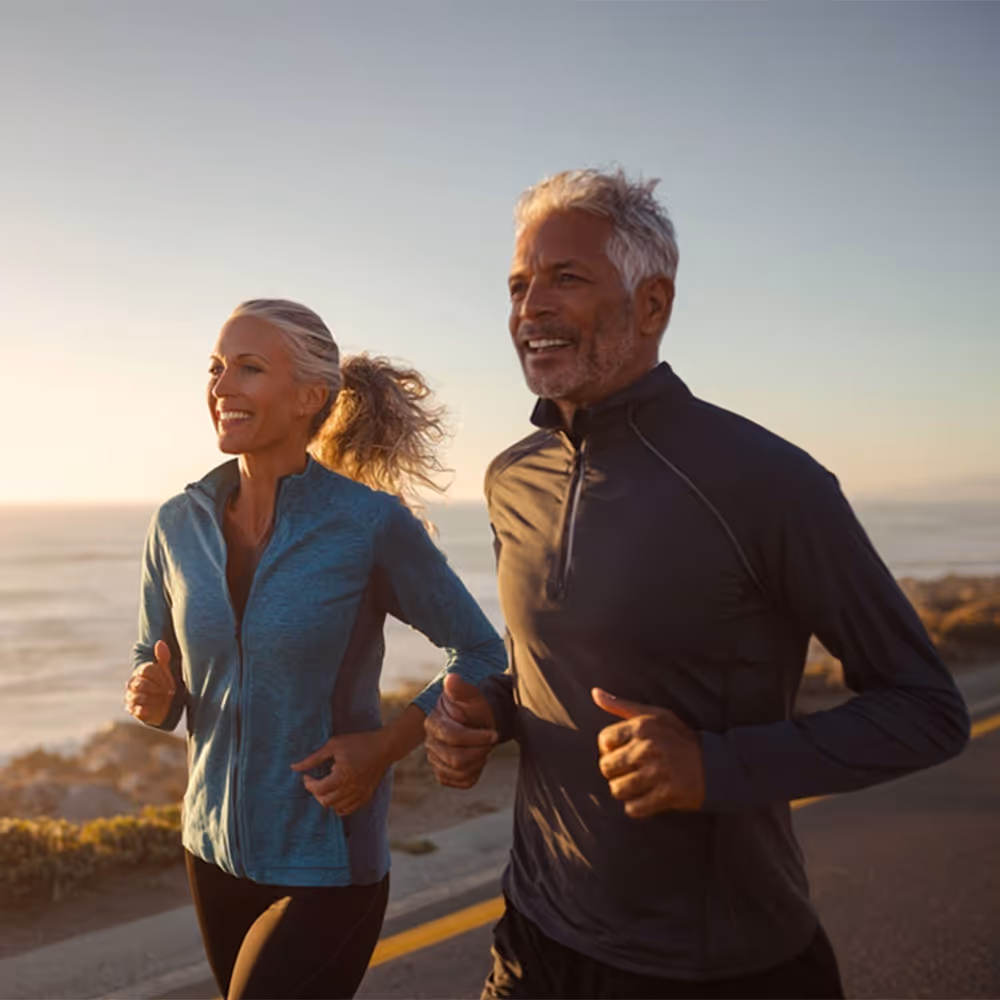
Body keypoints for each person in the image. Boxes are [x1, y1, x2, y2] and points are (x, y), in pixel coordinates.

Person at [424, 169, 971, 999]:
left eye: (565, 278)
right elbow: (551, 665)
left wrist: (715, 767)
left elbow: (926, 709)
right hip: (534, 939)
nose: (529, 307)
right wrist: (491, 712)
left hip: (715, 966)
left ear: (652, 305)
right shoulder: (511, 479)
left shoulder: (768, 482)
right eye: (518, 283)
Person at [124, 298, 505, 1000]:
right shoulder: (176, 525)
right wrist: (154, 694)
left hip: (327, 859)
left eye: (248, 368)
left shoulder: (367, 525)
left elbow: (481, 652)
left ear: (309, 396)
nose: (221, 385)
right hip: (209, 849)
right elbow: (159, 680)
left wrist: (387, 746)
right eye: (215, 367)